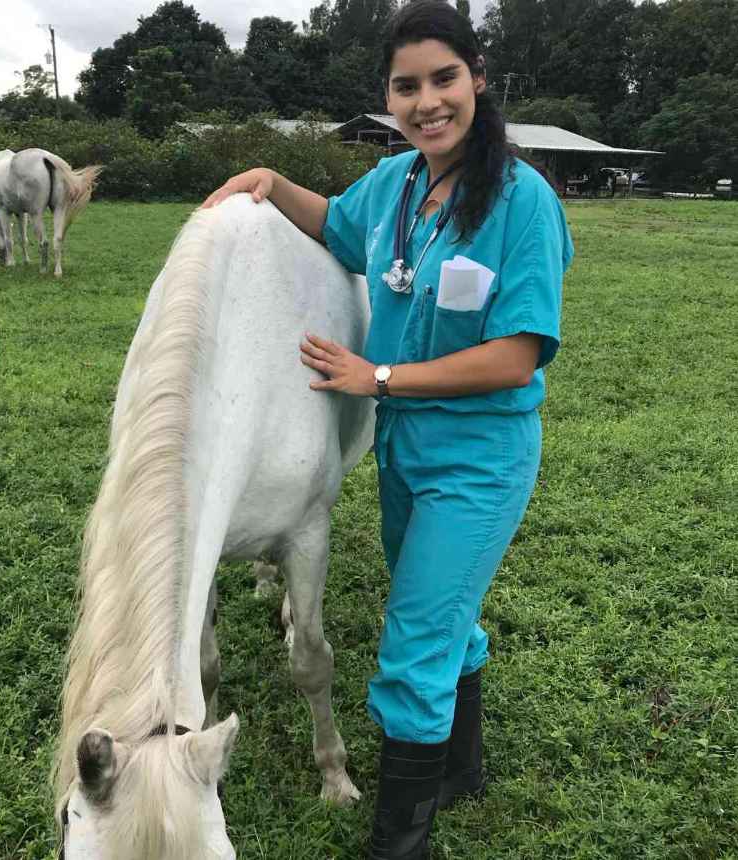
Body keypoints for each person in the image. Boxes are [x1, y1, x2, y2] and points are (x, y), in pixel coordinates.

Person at [203, 1, 574, 856]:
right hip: (405, 448)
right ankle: (461, 768)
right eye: (406, 87)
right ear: (390, 97)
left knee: (412, 651)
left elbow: (517, 355)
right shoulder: (399, 181)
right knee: (447, 617)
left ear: (478, 78)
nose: (426, 102)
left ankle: (395, 844)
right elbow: (334, 219)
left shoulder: (522, 201)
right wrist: (267, 181)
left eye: (444, 79)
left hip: (478, 457)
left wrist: (374, 377)